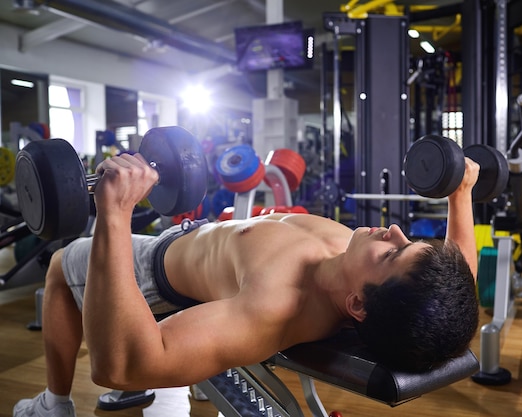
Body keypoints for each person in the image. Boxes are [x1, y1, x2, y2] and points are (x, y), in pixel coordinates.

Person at [14, 152, 480, 416]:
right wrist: (462, 195)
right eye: (411, 240)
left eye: (394, 253)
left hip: (157, 269)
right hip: (193, 233)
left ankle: (53, 405)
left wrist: (113, 214)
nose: (395, 232)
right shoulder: (382, 280)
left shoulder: (274, 307)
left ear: (358, 305)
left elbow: (123, 364)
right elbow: (458, 280)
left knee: (58, 266)